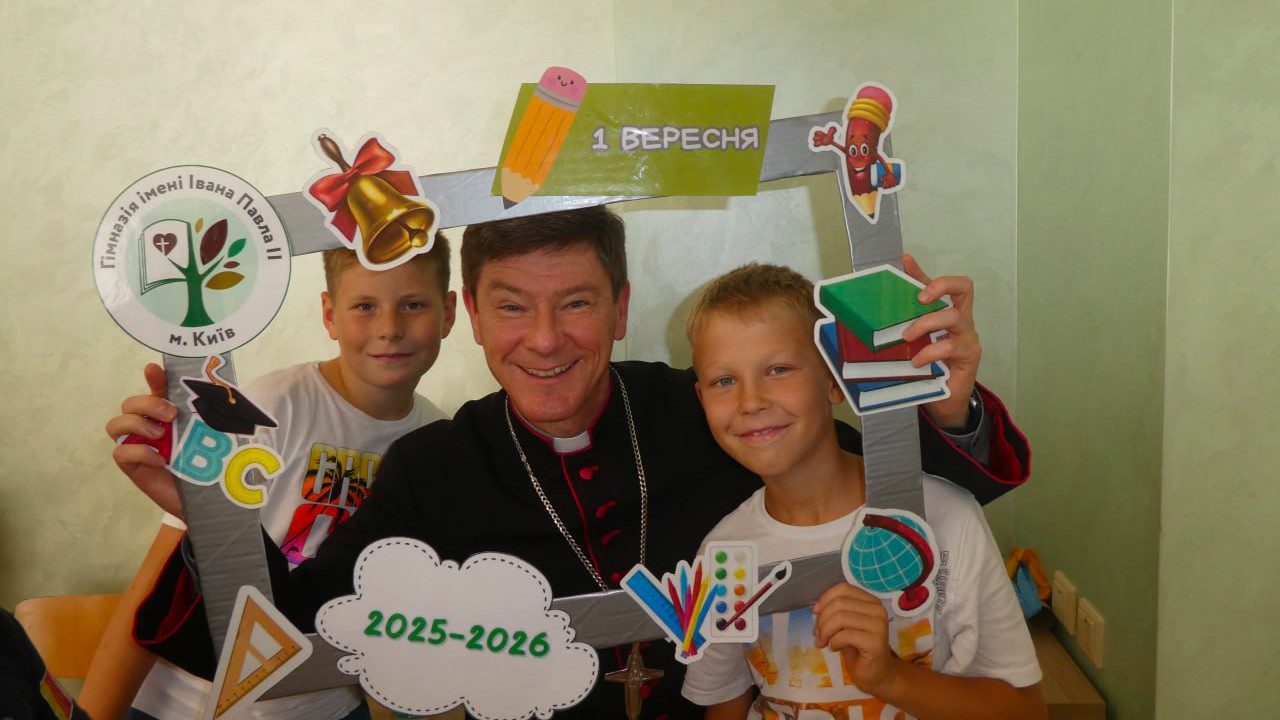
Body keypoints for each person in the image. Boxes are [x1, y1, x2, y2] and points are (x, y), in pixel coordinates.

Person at [132, 207, 1030, 719]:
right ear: (472, 317)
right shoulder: (430, 469)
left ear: (621, 307)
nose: (545, 340)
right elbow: (296, 628)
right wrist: (209, 518)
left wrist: (943, 402)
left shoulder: (713, 408)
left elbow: (923, 503)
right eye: (512, 307)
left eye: (576, 303)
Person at [84, 238, 457, 720]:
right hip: (183, 705)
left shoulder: (440, 444)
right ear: (330, 315)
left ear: (449, 312)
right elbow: (158, 576)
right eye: (364, 306)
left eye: (413, 305)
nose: (389, 329)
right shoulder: (264, 410)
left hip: (327, 708)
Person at [679, 263, 1046, 719]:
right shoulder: (722, 554)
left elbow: (1026, 711)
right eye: (724, 381)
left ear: (836, 379)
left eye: (778, 369)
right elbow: (725, 705)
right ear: (702, 400)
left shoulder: (946, 515)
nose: (750, 402)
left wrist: (890, 677)